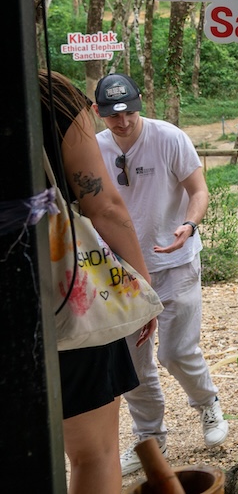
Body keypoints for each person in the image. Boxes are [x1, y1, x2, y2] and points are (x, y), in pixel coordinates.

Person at [92, 73, 228, 474]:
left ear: (139, 103)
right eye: (113, 116)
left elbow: (198, 190)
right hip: (122, 273)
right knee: (135, 363)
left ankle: (208, 405)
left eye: (129, 112)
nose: (123, 122)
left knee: (176, 351)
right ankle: (150, 437)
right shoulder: (94, 149)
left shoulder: (169, 137)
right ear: (100, 114)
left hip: (175, 263)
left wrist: (189, 225)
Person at [40, 70, 155, 494]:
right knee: (94, 454)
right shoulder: (51, 94)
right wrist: (140, 286)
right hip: (63, 301)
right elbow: (104, 205)